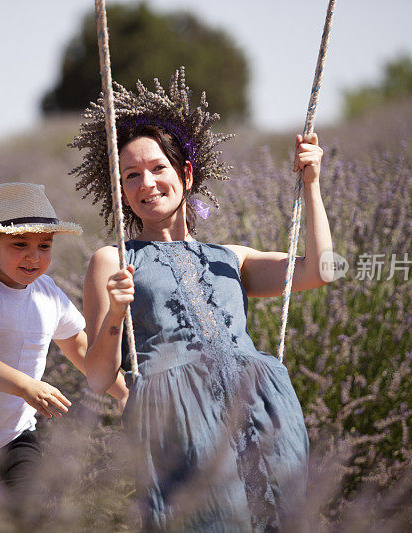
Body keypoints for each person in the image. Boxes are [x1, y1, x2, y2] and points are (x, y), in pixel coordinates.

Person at [72, 68, 333, 531]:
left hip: (262, 407)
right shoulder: (111, 260)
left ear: (185, 173)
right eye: (131, 176)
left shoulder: (230, 258)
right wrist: (115, 313)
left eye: (158, 168)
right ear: (119, 191)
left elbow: (320, 270)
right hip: (176, 419)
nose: (146, 183)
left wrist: (311, 183)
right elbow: (97, 378)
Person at [0, 182, 128, 527]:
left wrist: (125, 393)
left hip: (14, 436)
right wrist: (27, 387)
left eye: (44, 246)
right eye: (20, 245)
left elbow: (80, 348)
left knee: (28, 516)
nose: (33, 257)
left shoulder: (48, 294)